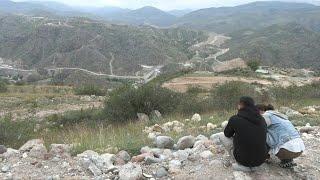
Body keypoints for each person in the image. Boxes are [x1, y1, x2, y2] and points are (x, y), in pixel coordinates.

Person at [218, 96, 268, 171]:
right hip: (261, 160)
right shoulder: (262, 119)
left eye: (238, 104)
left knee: (221, 136)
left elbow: (227, 134)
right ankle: (253, 166)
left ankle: (243, 165)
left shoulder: (235, 119)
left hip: (243, 160)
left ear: (241, 105)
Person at [256, 104, 305, 168]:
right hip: (300, 149)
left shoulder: (266, 115)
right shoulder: (281, 116)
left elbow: (258, 129)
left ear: (260, 111)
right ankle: (287, 160)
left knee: (260, 133)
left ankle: (264, 157)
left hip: (286, 150)